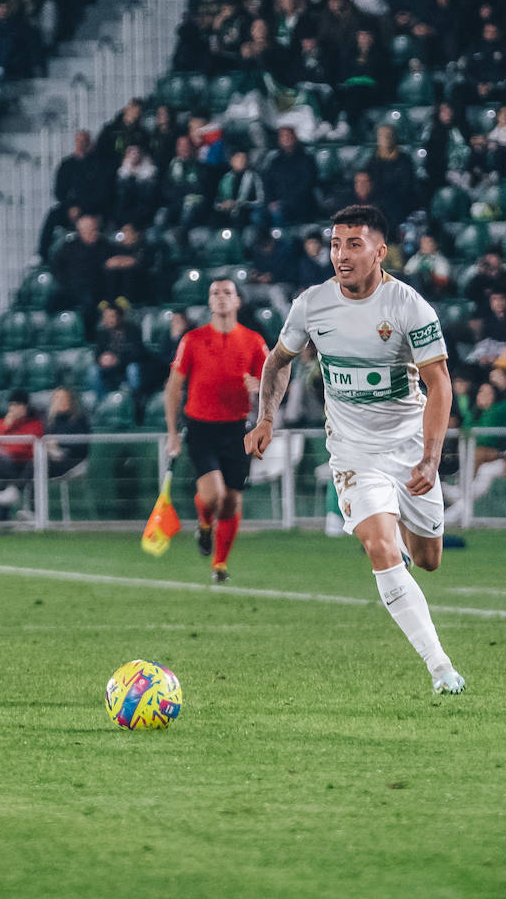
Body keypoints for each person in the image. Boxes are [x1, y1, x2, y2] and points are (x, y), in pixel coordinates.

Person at [245, 205, 466, 696]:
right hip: (352, 453)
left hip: (409, 450)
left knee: (428, 559)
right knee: (379, 546)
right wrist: (266, 418)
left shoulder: (409, 307)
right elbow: (277, 361)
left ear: (379, 251)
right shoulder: (312, 304)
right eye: (335, 245)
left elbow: (439, 384)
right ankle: (441, 668)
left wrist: (431, 457)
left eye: (353, 244)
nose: (341, 255)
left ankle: (402, 540)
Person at [164, 277, 268, 584]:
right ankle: (204, 523)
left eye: (227, 292)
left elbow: (274, 383)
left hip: (238, 427)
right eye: (215, 293)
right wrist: (172, 433)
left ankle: (219, 565)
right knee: (214, 496)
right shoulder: (192, 340)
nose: (221, 297)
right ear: (209, 302)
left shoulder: (253, 341)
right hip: (201, 427)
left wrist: (260, 386)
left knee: (231, 502)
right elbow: (173, 388)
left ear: (237, 301)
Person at [0, 389, 44, 521]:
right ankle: (12, 494)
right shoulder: (1, 423)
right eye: (11, 405)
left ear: (25, 407)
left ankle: (2, 519)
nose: (14, 409)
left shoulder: (35, 424)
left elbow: (34, 450)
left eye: (18, 405)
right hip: (4, 463)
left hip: (23, 465)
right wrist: (6, 426)